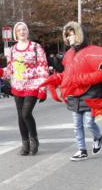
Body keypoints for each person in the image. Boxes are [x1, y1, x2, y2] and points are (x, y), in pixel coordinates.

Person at [41, 21, 102, 161]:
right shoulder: (69, 54)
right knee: (77, 125)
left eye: (71, 34)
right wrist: (56, 79)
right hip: (74, 94)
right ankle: (81, 150)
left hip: (91, 93)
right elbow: (68, 74)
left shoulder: (94, 51)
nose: (69, 38)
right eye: (67, 35)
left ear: (79, 34)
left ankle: (98, 137)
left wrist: (82, 79)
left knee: (89, 122)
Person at [0, 22, 49, 156]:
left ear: (28, 31)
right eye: (19, 30)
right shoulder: (12, 50)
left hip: (33, 85)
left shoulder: (36, 47)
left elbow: (43, 68)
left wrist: (43, 89)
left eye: (24, 29)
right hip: (18, 86)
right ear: (16, 33)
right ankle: (25, 143)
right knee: (20, 116)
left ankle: (34, 140)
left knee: (26, 113)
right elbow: (10, 69)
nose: (22, 32)